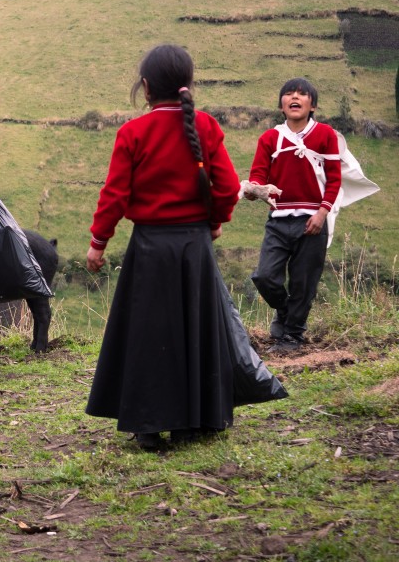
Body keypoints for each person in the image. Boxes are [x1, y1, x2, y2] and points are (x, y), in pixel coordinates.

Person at [85, 45, 242, 450]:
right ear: (188, 84)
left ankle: (149, 426)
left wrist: (98, 243)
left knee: (149, 333)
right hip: (195, 245)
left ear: (146, 87)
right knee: (196, 328)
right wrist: (214, 222)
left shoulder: (133, 132)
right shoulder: (206, 126)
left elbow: (115, 195)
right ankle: (196, 422)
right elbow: (227, 187)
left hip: (150, 247)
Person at [245, 77, 341, 353]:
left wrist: (322, 213)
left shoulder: (325, 135)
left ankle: (292, 338)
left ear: (313, 105)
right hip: (278, 221)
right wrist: (254, 190)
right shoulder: (269, 138)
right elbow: (258, 175)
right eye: (288, 94)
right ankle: (286, 311)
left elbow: (334, 179)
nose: (294, 97)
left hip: (312, 221)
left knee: (303, 282)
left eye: (301, 94)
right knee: (264, 276)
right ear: (281, 105)